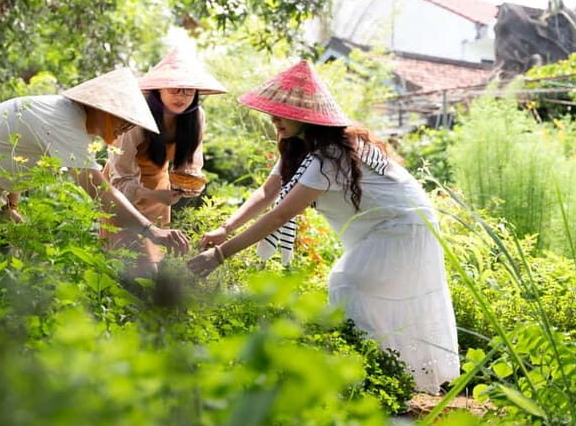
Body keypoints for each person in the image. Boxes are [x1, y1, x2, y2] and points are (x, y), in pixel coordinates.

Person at [187, 61, 459, 393]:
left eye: (282, 114)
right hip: (386, 227)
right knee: (366, 294)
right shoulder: (300, 147)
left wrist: (219, 255)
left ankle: (367, 378)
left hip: (403, 227)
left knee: (348, 282)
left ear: (305, 116)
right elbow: (267, 192)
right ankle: (379, 377)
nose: (274, 120)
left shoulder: (329, 157)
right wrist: (225, 228)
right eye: (272, 113)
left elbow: (279, 215)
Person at [0, 67, 189, 256]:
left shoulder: (68, 119)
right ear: (104, 109)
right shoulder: (66, 122)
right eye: (125, 119)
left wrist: (11, 205)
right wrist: (151, 231)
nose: (127, 128)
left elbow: (17, 152)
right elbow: (99, 190)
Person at [103, 48, 226, 275]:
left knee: (153, 265)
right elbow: (119, 177)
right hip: (123, 190)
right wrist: (152, 194)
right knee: (124, 263)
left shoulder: (196, 117)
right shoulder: (135, 117)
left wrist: (188, 185)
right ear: (158, 89)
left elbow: (190, 167)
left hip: (159, 190)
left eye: (188, 90)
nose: (181, 96)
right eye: (174, 89)